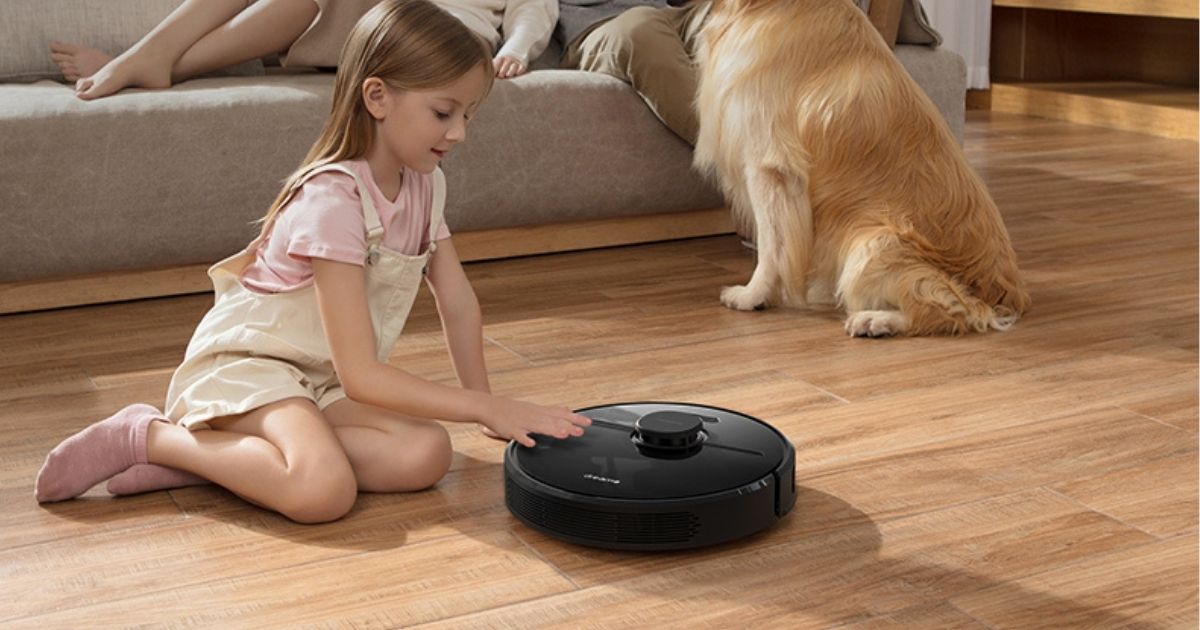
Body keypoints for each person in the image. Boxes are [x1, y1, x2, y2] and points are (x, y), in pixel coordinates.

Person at [35, 0, 592, 523]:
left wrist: (491, 406)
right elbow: (363, 374)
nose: (460, 132)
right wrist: (480, 408)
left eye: (468, 113)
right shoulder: (332, 200)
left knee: (424, 453)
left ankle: (223, 462)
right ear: (377, 97)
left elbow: (457, 301)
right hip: (251, 369)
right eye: (444, 112)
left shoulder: (426, 184)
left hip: (317, 381)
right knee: (322, 491)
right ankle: (147, 437)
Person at [51, 0, 558, 101]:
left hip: (447, 37)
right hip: (382, 19)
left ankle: (154, 63)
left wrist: (514, 49)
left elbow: (534, 11)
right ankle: (153, 56)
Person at [557, 0, 710, 145]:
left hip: (672, 12)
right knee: (641, 29)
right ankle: (728, 158)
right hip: (599, 24)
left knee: (728, 13)